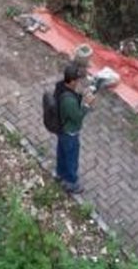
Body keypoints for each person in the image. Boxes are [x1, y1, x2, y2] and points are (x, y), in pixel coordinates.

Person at [54, 63, 96, 194]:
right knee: (71, 158)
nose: (79, 83)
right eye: (77, 80)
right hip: (70, 133)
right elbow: (77, 117)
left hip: (61, 129)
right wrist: (87, 105)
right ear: (71, 81)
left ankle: (60, 174)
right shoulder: (69, 102)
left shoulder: (60, 86)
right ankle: (71, 183)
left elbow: (72, 95)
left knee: (62, 153)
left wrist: (81, 94)